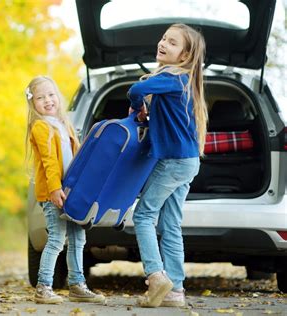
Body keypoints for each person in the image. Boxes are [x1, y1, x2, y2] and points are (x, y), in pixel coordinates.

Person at [127, 24, 208, 308]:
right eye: (163, 38)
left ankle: (156, 276)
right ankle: (175, 291)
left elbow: (136, 88)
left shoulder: (173, 77)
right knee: (171, 224)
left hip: (174, 162)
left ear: (184, 55)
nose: (163, 43)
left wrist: (139, 105)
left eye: (172, 43)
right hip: (188, 162)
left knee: (143, 216)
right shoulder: (185, 81)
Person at [25, 75, 106, 304]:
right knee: (57, 240)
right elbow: (49, 161)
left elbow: (78, 157)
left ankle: (77, 285)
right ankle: (43, 287)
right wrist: (54, 189)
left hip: (71, 193)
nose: (48, 101)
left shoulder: (63, 123)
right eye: (41, 98)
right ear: (33, 103)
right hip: (54, 194)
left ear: (58, 96)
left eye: (51, 95)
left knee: (78, 238)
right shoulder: (40, 127)